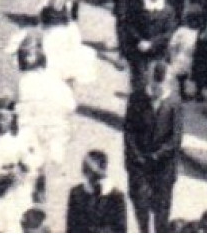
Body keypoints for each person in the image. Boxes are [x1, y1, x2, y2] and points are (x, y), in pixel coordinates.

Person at [123, 61, 182, 233]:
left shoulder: (174, 103)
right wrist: (136, 155)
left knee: (161, 210)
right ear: (150, 82)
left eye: (161, 87)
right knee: (140, 203)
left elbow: (176, 137)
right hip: (139, 164)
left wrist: (158, 155)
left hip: (164, 166)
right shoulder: (137, 98)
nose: (157, 91)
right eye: (155, 87)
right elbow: (128, 130)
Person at [15, 35, 76, 192]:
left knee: (44, 151)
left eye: (31, 55)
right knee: (34, 151)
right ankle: (36, 181)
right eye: (26, 55)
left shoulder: (48, 76)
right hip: (35, 120)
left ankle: (38, 179)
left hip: (48, 119)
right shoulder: (25, 80)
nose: (28, 59)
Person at [0, 97, 42, 232]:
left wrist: (24, 166)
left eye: (6, 117)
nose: (2, 121)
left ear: (13, 118)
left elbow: (38, 157)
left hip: (19, 191)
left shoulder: (24, 136)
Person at [66, 149, 128, 233]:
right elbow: (71, 228)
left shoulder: (116, 196)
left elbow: (120, 230)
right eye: (87, 170)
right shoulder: (76, 194)